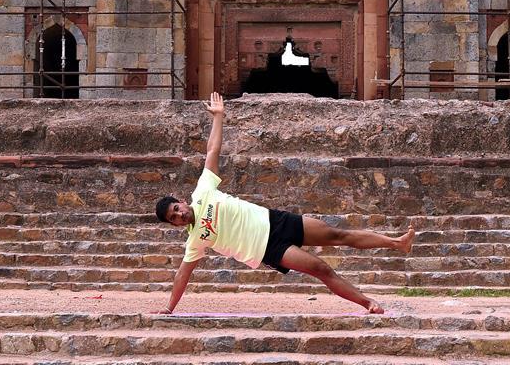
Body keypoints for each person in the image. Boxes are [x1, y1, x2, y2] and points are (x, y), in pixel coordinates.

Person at [151, 92, 415, 315]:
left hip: (275, 220)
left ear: (181, 201)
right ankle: (367, 303)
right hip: (267, 248)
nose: (179, 215)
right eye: (174, 218)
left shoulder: (203, 191)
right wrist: (169, 307)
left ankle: (397, 243)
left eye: (176, 209)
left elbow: (212, 151)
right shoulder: (195, 239)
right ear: (175, 225)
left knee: (338, 233)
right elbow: (182, 274)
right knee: (320, 268)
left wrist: (219, 117)